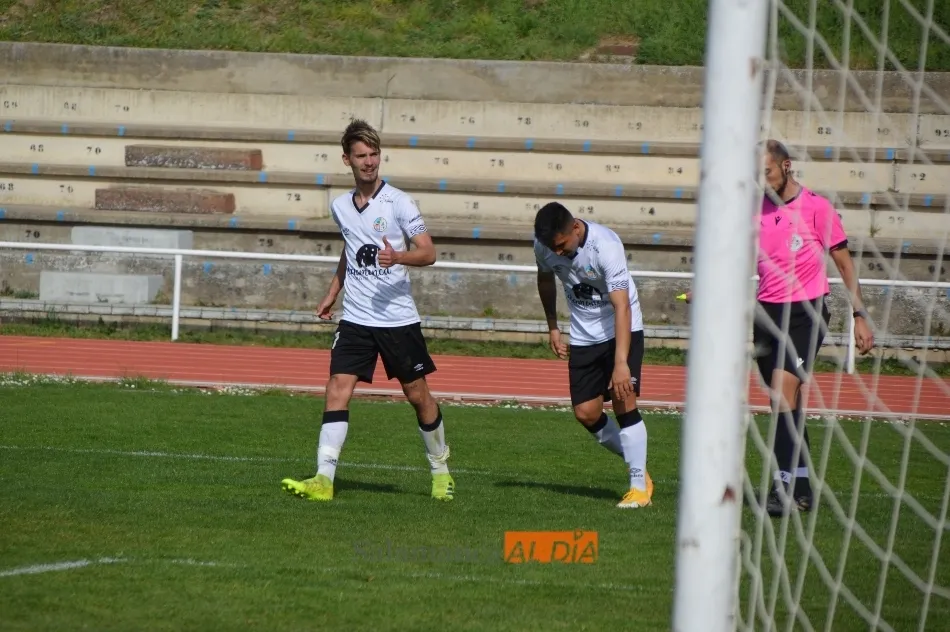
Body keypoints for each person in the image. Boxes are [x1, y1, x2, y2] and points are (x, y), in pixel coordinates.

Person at [686, 139, 875, 517]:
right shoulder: (753, 210)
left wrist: (859, 314)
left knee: (780, 393)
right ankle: (802, 489)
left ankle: (783, 486)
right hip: (767, 314)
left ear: (786, 166)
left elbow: (844, 264)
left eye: (767, 171)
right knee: (788, 403)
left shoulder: (818, 208)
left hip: (807, 313)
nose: (763, 179)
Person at [280, 119, 455, 502]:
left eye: (374, 154)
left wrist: (400, 256)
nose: (369, 161)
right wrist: (332, 292)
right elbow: (350, 249)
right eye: (361, 155)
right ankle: (324, 480)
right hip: (356, 317)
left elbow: (429, 252)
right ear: (347, 160)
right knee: (337, 389)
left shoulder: (400, 202)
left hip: (397, 319)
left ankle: (441, 470)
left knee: (417, 395)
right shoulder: (340, 206)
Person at [533, 203, 653, 509]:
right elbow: (545, 279)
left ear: (575, 227)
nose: (556, 253)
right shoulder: (544, 246)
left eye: (560, 246)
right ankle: (637, 463)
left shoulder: (606, 246)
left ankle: (639, 488)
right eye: (551, 247)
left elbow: (622, 306)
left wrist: (621, 363)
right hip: (584, 335)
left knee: (624, 399)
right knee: (586, 413)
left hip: (621, 327)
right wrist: (553, 327)